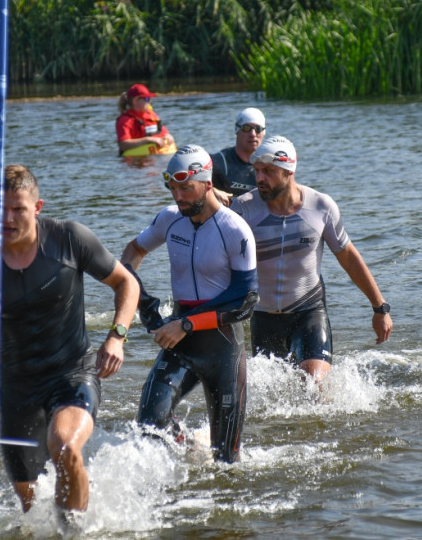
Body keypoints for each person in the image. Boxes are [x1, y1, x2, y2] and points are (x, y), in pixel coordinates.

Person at [0, 164, 139, 513]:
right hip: (16, 388)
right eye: (0, 209)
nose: (9, 218)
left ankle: (75, 533)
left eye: (18, 209)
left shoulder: (69, 239)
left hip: (71, 372)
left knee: (65, 447)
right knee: (29, 507)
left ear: (38, 207)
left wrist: (116, 337)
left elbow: (127, 282)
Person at [120, 145, 258, 463]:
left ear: (207, 183)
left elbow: (245, 301)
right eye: (173, 188)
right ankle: (184, 448)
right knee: (149, 425)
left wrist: (186, 324)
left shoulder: (235, 230)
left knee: (226, 463)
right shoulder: (170, 219)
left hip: (223, 344)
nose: (178, 196)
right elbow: (131, 254)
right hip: (181, 341)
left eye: (186, 188)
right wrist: (141, 301)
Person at [230, 135, 392, 383]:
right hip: (263, 316)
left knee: (315, 386)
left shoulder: (321, 207)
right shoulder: (243, 209)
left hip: (308, 310)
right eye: (257, 170)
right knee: (276, 398)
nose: (259, 178)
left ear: (289, 171)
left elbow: (348, 257)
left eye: (269, 171)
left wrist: (380, 308)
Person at [211, 107, 266, 203]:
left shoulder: (269, 165)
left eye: (258, 129)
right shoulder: (220, 161)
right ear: (237, 130)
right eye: (246, 128)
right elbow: (189, 177)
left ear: (263, 132)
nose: (252, 134)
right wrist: (212, 191)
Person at [115, 83, 175, 155]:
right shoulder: (125, 120)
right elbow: (123, 144)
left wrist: (168, 136)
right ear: (135, 100)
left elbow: (164, 132)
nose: (150, 102)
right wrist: (148, 140)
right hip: (135, 161)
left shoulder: (152, 115)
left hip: (157, 158)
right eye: (147, 99)